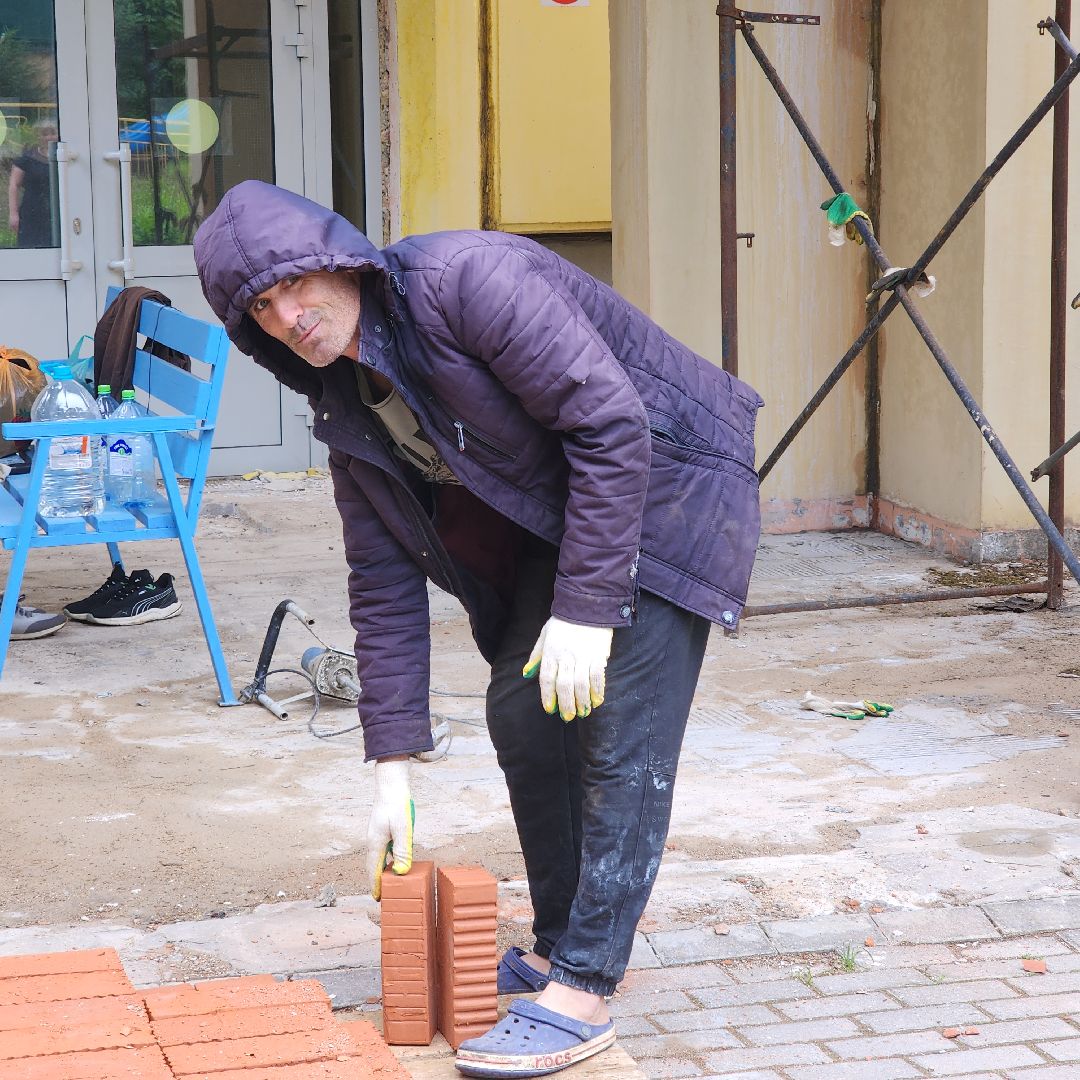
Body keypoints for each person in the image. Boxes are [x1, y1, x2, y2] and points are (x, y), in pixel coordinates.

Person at [194, 180, 763, 1077]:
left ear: (339, 259)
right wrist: (390, 765)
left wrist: (584, 612)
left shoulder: (469, 281)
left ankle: (583, 991)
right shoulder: (346, 410)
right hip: (571, 516)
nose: (290, 316)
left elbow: (611, 425)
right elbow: (379, 585)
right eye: (261, 309)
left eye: (296, 285)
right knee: (522, 707)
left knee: (621, 734)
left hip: (669, 486)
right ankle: (559, 939)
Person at [7, 122, 58, 249]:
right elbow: (14, 185)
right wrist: (13, 214)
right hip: (32, 212)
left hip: (57, 211)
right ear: (38, 137)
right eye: (45, 134)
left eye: (53, 133)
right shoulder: (27, 159)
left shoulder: (65, 157)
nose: (49, 137)